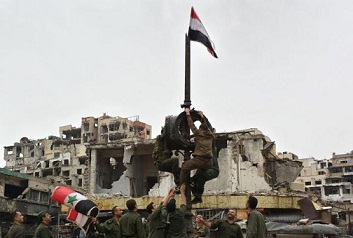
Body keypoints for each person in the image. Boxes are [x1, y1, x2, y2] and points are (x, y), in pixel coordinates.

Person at [180, 108, 214, 193]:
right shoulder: (211, 135)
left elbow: (191, 125)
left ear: (201, 129)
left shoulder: (198, 134)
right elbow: (209, 126)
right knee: (199, 172)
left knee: (184, 167)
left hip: (199, 160)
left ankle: (181, 186)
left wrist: (188, 114)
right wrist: (202, 117)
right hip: (209, 162)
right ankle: (193, 183)